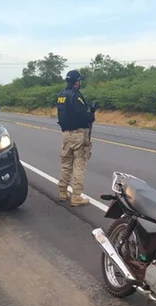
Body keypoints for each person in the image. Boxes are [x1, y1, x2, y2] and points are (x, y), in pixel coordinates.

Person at [55, 69, 95, 207]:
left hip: (66, 134)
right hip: (78, 134)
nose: (80, 83)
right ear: (76, 82)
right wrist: (92, 114)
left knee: (66, 164)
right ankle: (76, 196)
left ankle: (62, 192)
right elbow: (82, 115)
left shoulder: (61, 96)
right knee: (79, 164)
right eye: (79, 81)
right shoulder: (75, 96)